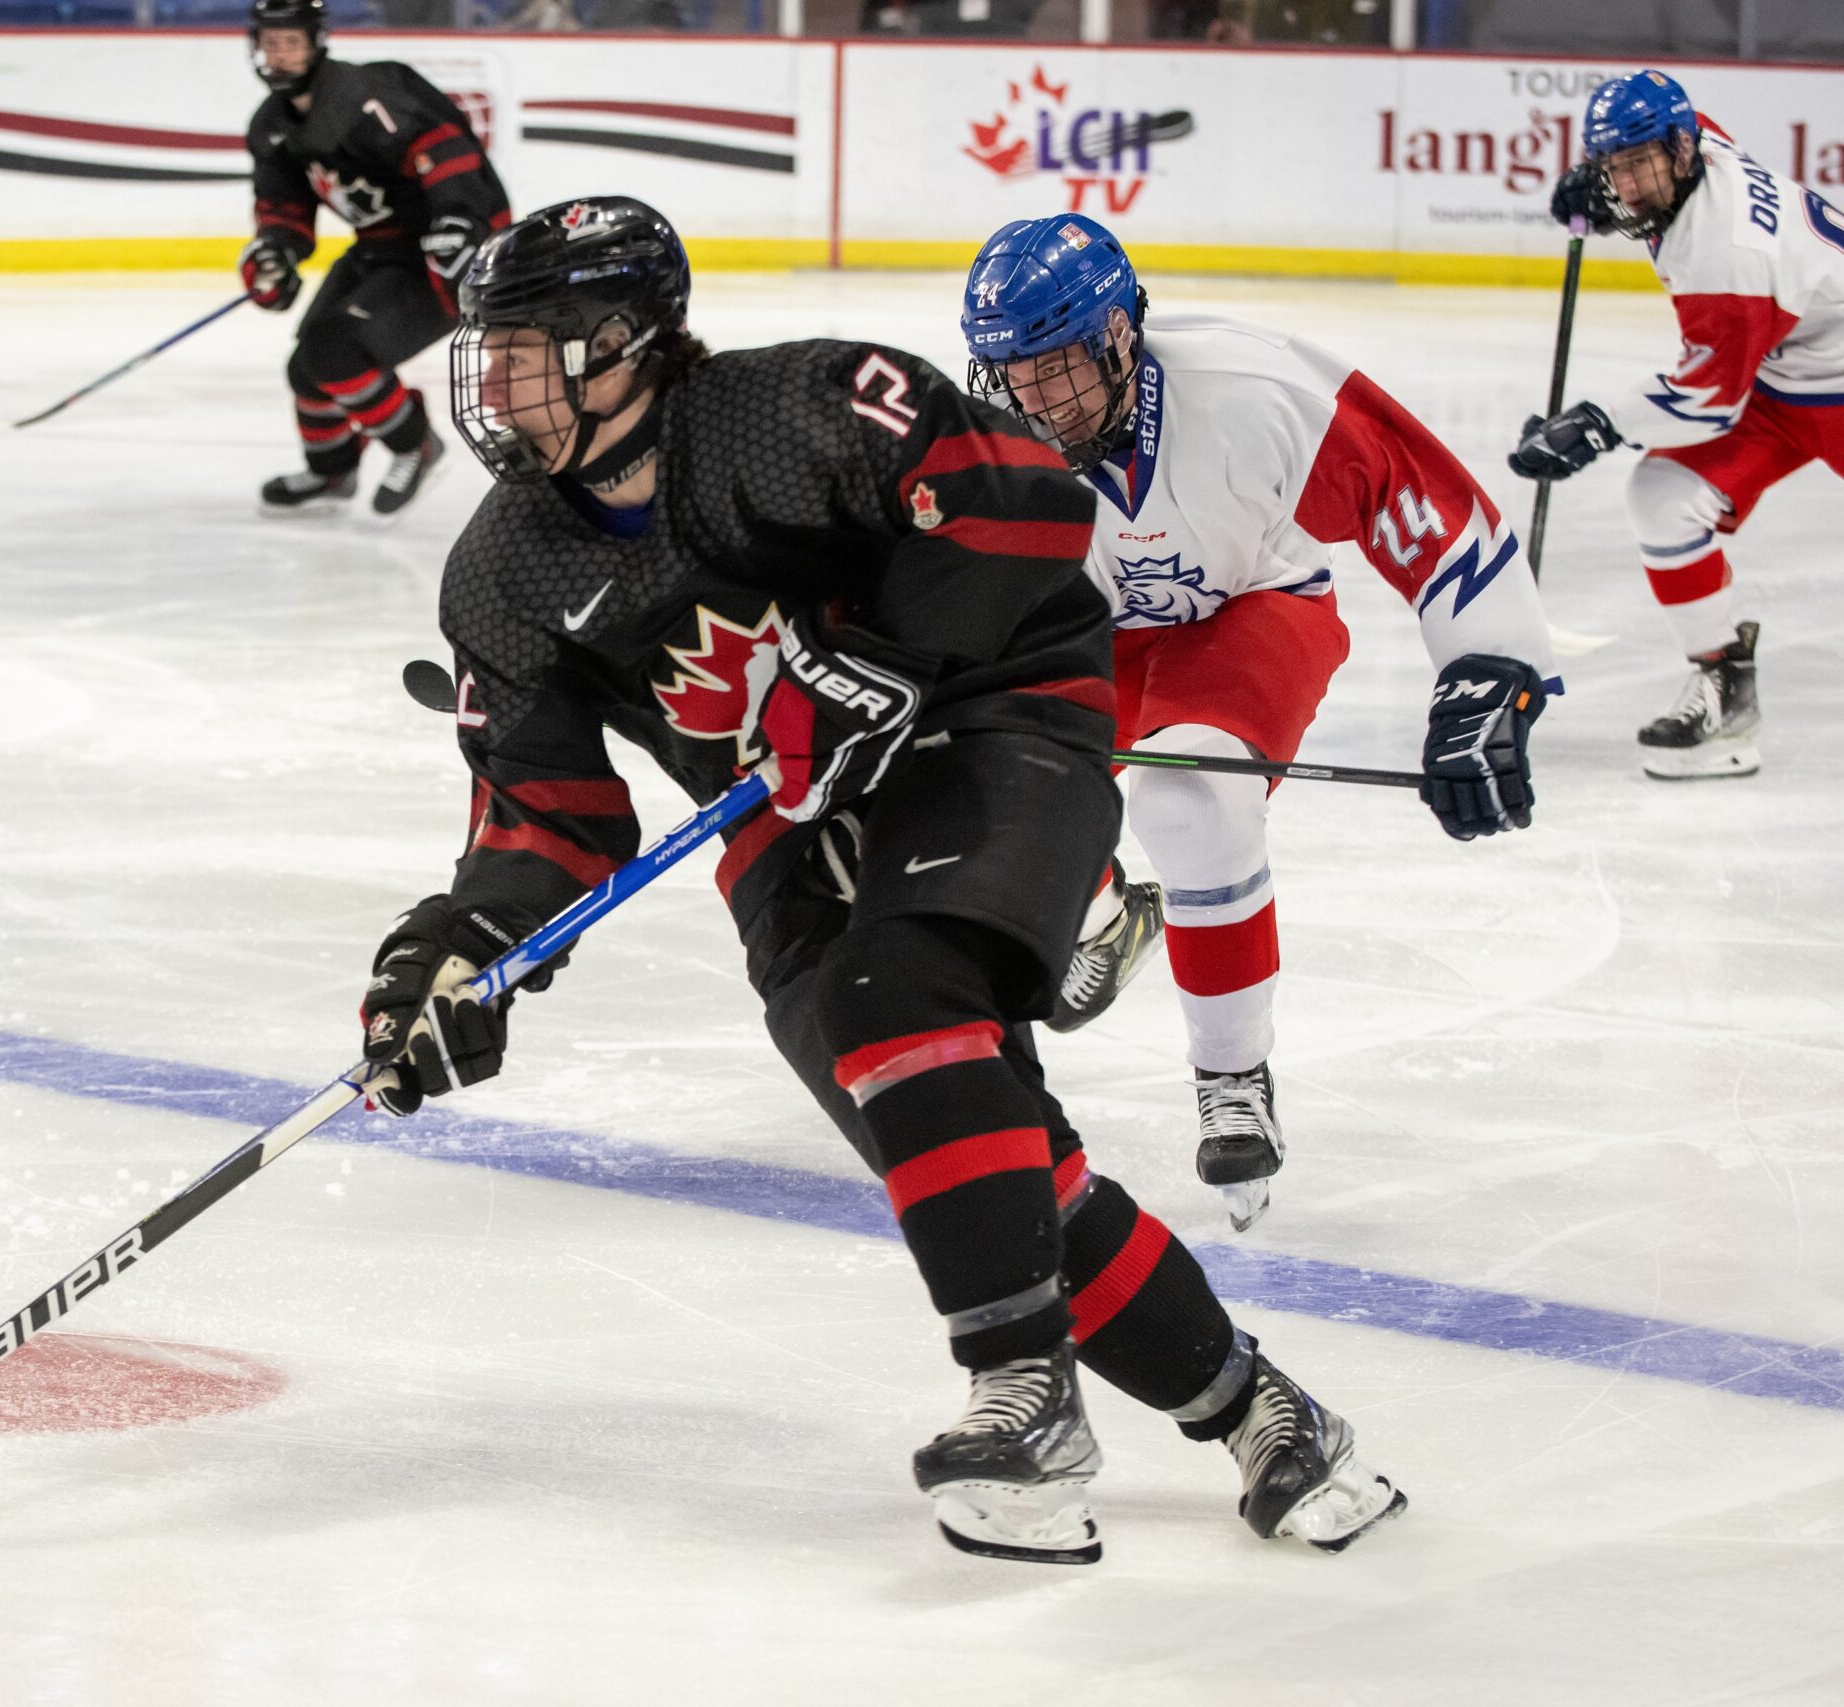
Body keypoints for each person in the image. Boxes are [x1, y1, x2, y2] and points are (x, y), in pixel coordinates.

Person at [355, 194, 1406, 1564]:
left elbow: (1017, 495)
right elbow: (546, 815)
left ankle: (1022, 1401)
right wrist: (455, 952)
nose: (493, 385)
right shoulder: (500, 571)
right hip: (783, 823)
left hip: (991, 707)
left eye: (526, 350)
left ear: (624, 346)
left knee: (891, 999)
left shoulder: (788, 407)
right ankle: (1267, 1413)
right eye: (486, 354)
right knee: (984, 1158)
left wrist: (892, 653)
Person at [960, 214, 1556, 1231]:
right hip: (1082, 633)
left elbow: (1415, 497)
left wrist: (1486, 673)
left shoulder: (1253, 391)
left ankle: (1231, 1077)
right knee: (975, 781)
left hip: (1251, 608)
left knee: (1189, 799)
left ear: (1118, 338)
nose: (1034, 400)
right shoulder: (991, 441)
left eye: (1057, 366)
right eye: (1012, 373)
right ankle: (1100, 901)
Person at [1511, 69, 1844, 780]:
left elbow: (1707, 400)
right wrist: (1594, 192)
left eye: (1637, 165)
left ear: (1682, 151)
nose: (1625, 187)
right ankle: (1726, 688)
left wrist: (1594, 426)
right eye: (1612, 166)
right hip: (1785, 371)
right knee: (1664, 497)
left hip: (1807, 375)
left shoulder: (1729, 254)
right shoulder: (1699, 146)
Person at [239, 0, 509, 518]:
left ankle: (416, 444)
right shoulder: (272, 125)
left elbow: (445, 148)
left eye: (291, 43)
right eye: (271, 44)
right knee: (307, 369)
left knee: (336, 352)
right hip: (381, 246)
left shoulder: (371, 96)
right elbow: (284, 207)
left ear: (317, 42)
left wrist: (458, 222)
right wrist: (275, 251)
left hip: (443, 253)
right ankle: (331, 471)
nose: (279, 56)